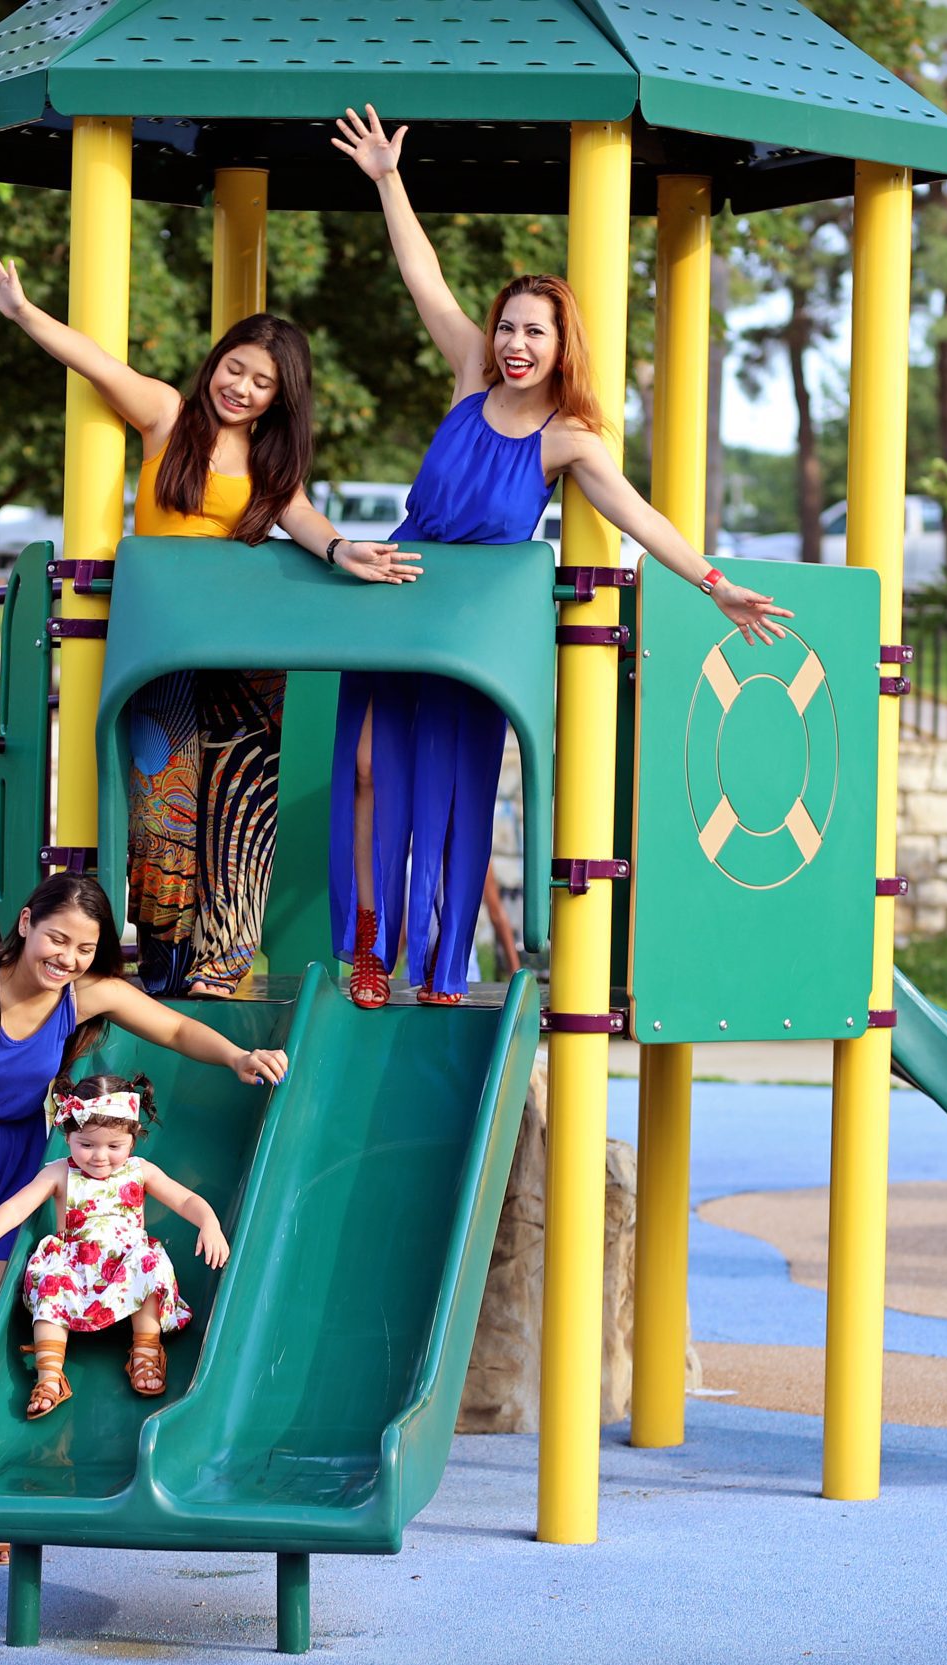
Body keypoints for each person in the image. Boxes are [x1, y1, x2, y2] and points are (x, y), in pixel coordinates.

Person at [323, 105, 791, 1009]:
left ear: (559, 343)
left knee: (455, 792)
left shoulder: (567, 439)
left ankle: (444, 961)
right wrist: (388, 178)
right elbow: (422, 277)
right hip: (393, 597)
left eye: (534, 331)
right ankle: (373, 942)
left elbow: (639, 516)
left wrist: (715, 582)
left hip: (470, 628)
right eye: (508, 326)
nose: (514, 343)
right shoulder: (469, 375)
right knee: (372, 770)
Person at [0, 244, 418, 996]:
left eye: (261, 381)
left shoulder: (274, 463)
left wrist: (344, 551)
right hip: (165, 643)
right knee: (163, 799)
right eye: (234, 368)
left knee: (244, 801)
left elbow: (301, 517)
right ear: (216, 363)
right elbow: (95, 362)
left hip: (244, 648)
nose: (240, 387)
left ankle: (223, 963)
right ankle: (166, 955)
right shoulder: (168, 417)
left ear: (281, 395)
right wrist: (20, 309)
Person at [0, 872, 283, 1492]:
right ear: (25, 924)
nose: (66, 958)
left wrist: (237, 1057)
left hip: (16, 1160)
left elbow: (171, 1028)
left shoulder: (82, 994)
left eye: (85, 949)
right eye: (56, 939)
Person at [0, 1071, 227, 1419]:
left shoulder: (140, 1171)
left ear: (133, 1141)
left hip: (124, 1263)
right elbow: (17, 1206)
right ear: (68, 1136)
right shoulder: (59, 1173)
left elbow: (185, 1200)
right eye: (87, 1144)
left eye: (114, 1146)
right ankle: (49, 1375)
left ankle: (145, 1353)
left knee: (150, 1262)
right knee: (51, 1280)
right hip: (75, 1265)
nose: (99, 1156)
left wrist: (209, 1222)